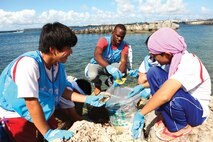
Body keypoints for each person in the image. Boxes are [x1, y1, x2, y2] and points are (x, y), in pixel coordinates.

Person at [0, 22, 106, 142]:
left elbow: (63, 90)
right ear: (52, 50)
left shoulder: (57, 65)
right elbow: (31, 102)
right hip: (16, 111)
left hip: (42, 105)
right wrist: (48, 132)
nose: (71, 52)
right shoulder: (28, 65)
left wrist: (87, 99)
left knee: (54, 130)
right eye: (68, 48)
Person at [130, 28, 211, 141]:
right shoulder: (173, 61)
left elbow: (165, 94)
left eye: (154, 56)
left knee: (171, 98)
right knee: (153, 72)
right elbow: (164, 81)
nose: (154, 59)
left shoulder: (189, 63)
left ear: (167, 54)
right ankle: (169, 114)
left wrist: (141, 113)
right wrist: (141, 86)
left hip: (197, 112)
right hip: (186, 101)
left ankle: (180, 127)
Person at [85, 24, 129, 95]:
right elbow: (97, 55)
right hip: (98, 64)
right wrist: (109, 67)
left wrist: (118, 79)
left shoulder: (125, 45)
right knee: (92, 76)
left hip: (112, 66)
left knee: (124, 71)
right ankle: (97, 85)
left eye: (122, 37)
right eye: (117, 35)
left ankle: (110, 81)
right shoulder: (104, 40)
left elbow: (123, 61)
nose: (120, 39)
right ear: (112, 33)